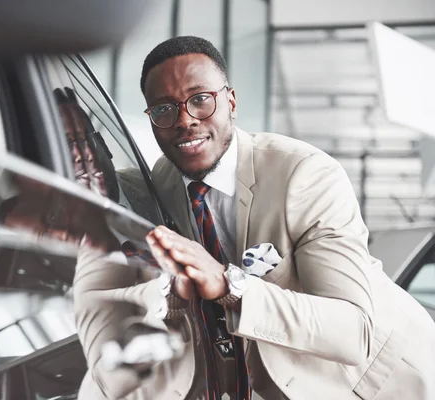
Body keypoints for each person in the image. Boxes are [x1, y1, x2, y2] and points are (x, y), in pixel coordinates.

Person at [137, 36, 435, 399]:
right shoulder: (165, 180)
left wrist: (230, 285)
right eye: (164, 109)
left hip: (376, 383)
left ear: (230, 102)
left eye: (201, 100)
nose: (184, 120)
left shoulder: (306, 175)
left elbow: (352, 330)